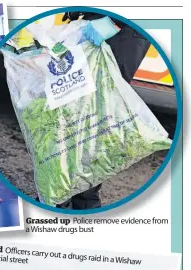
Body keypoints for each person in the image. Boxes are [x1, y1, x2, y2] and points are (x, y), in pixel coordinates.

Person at [55, 12, 151, 210]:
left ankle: (70, 198)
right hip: (105, 24)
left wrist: (112, 19)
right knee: (80, 110)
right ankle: (79, 199)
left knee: (95, 111)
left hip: (120, 29)